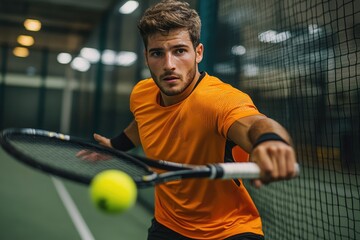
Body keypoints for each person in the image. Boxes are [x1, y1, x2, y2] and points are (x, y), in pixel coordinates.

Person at [91, 0, 297, 239]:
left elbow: (254, 123)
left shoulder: (218, 100)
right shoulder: (141, 93)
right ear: (146, 57)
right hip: (167, 225)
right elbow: (143, 121)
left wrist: (269, 141)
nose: (169, 65)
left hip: (229, 230)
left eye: (179, 51)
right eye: (158, 53)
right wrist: (117, 145)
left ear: (198, 53)